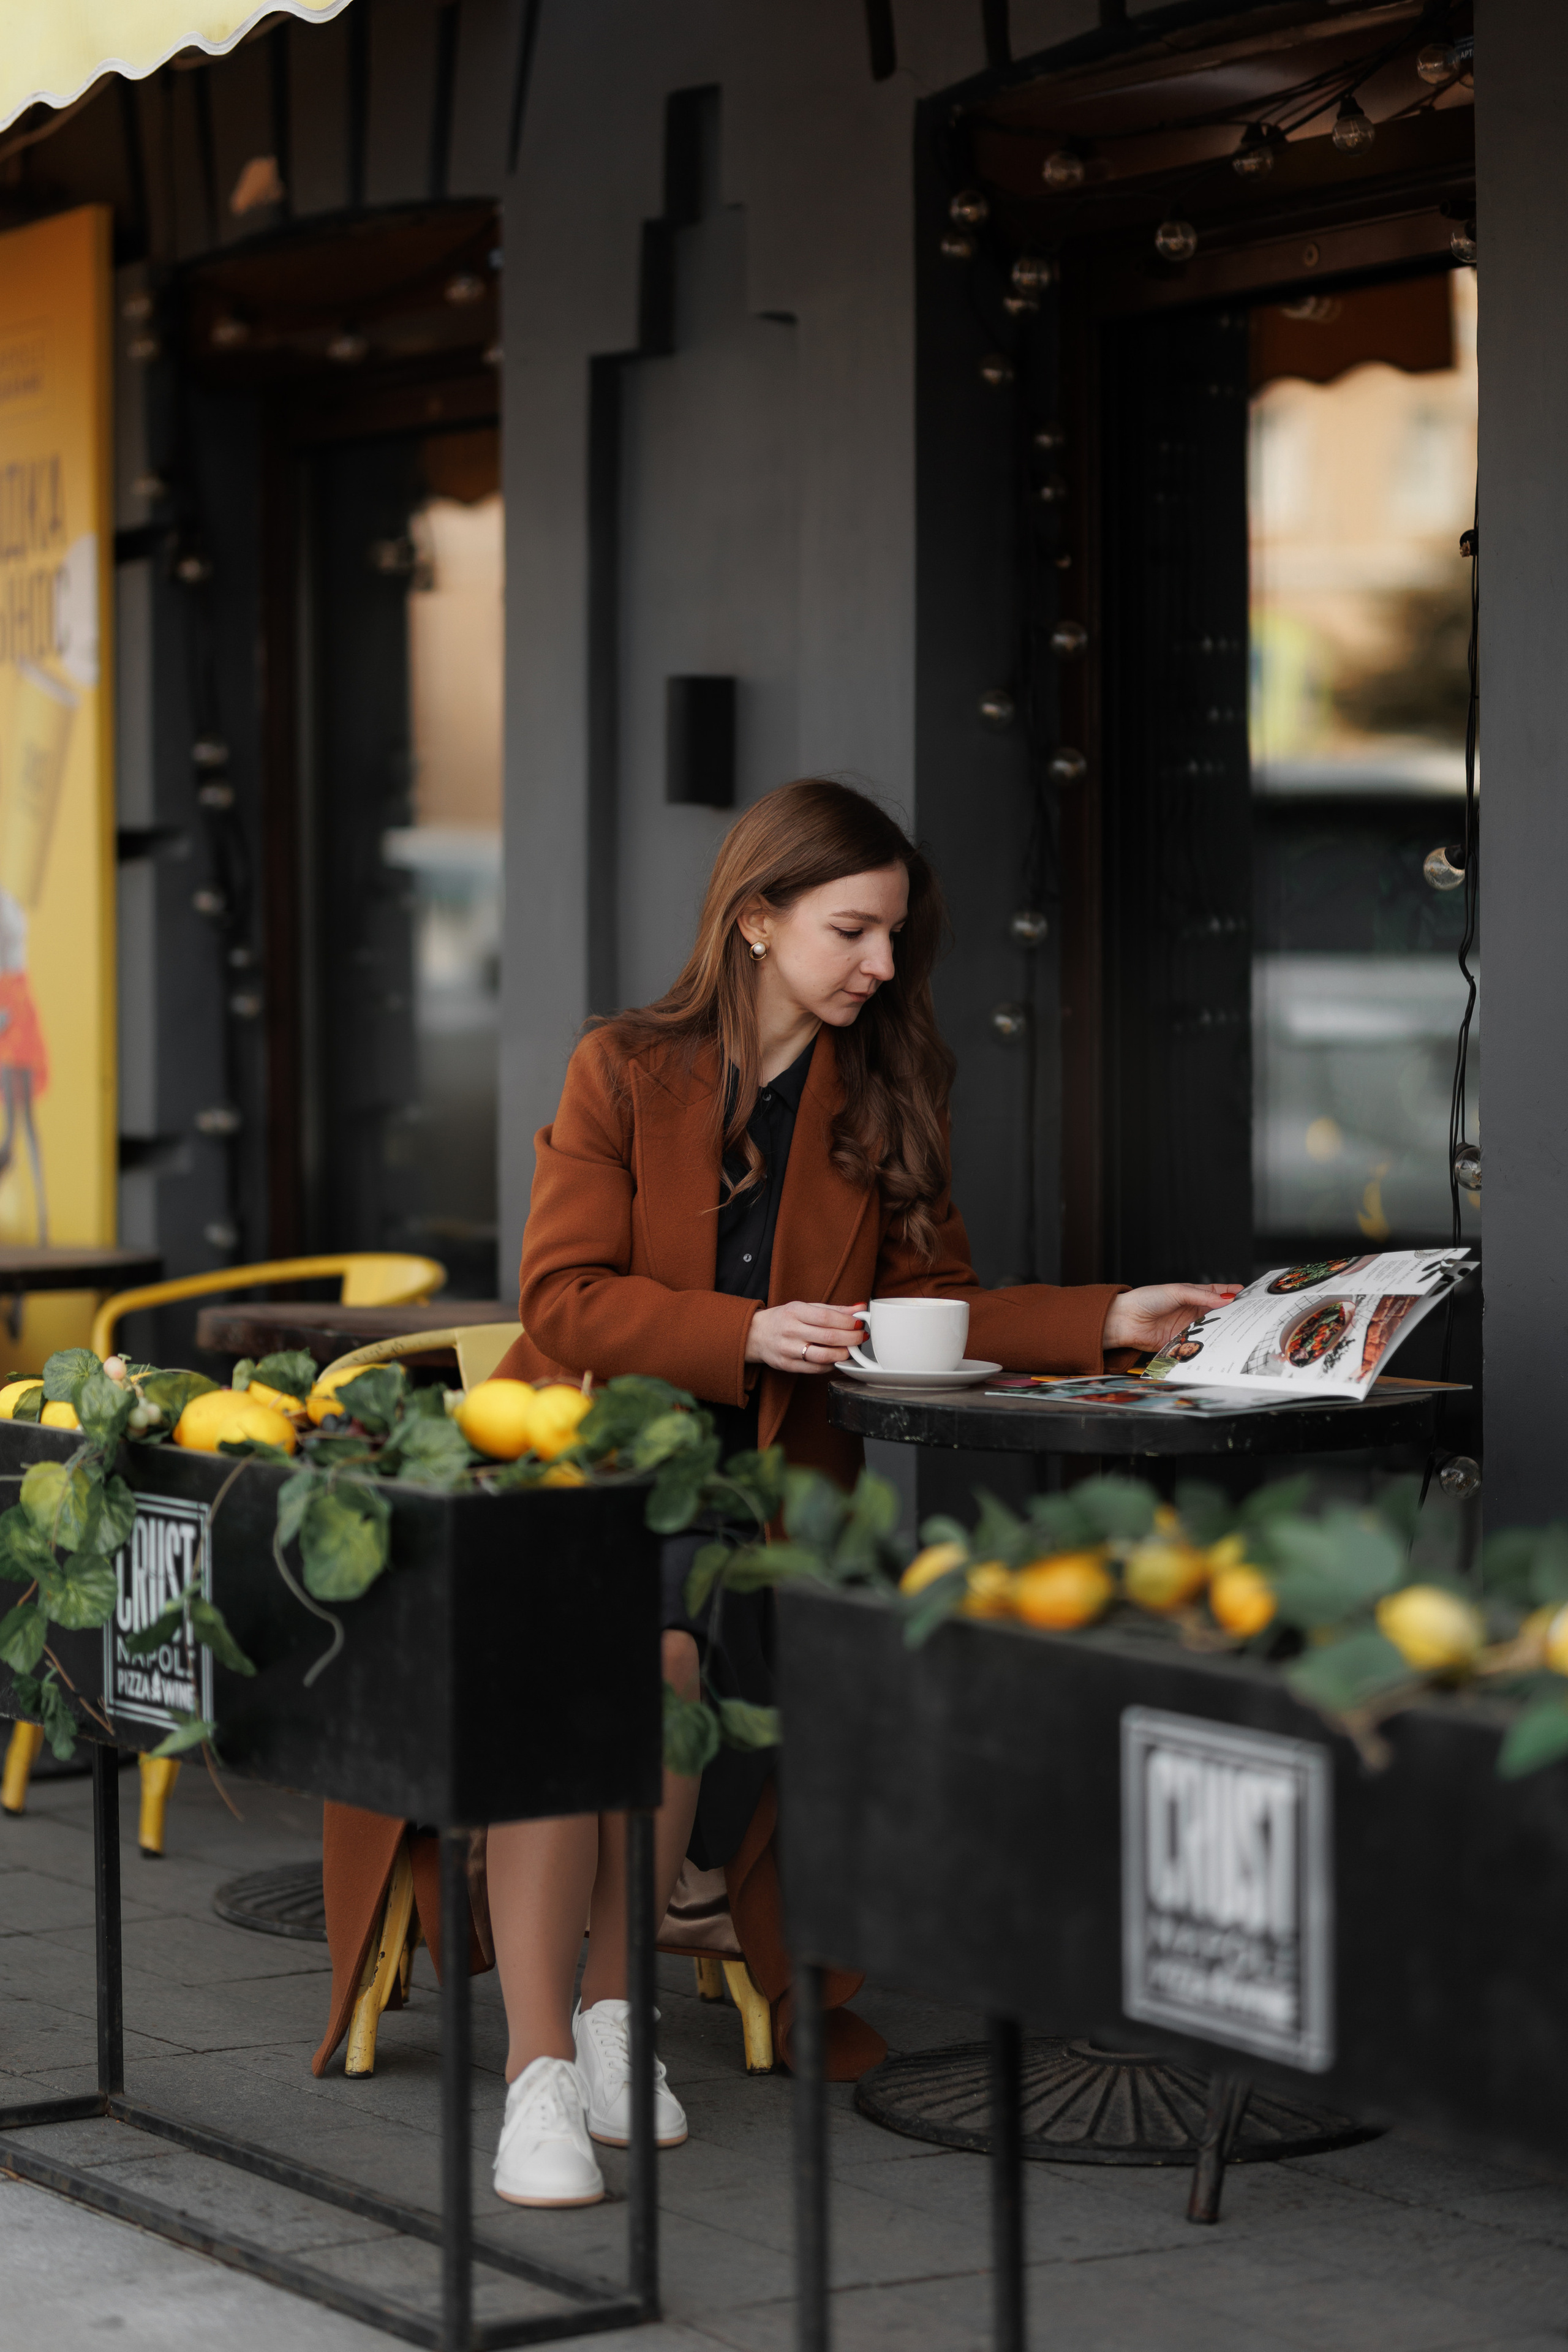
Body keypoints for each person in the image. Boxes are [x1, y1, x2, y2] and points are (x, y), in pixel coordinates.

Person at [480, 778, 1232, 2207]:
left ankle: (611, 2012)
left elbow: (929, 1310)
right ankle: (542, 2071)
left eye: (892, 935)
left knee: (664, 1662)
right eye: (852, 930)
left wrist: (1102, 1320)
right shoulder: (623, 1069)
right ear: (755, 921)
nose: (882, 966)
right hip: (582, 1461)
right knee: (618, 1669)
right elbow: (561, 1299)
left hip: (756, 1504)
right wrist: (742, 1332)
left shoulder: (888, 1090)